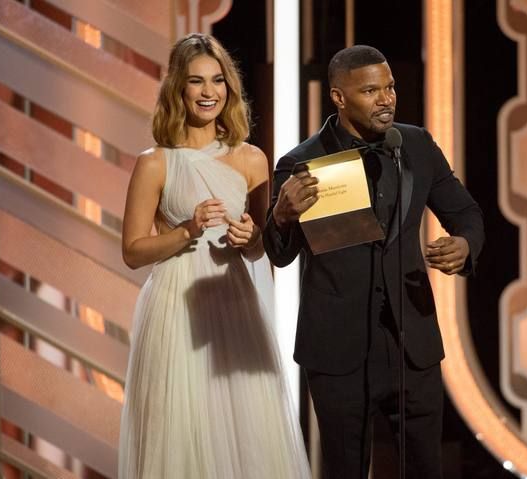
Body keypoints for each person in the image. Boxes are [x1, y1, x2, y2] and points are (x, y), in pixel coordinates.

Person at [263, 45, 484, 479]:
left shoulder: (416, 145)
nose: (387, 99)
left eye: (390, 87)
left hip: (411, 344)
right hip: (338, 350)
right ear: (339, 98)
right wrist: (282, 215)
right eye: (371, 91)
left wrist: (465, 246)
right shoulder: (302, 162)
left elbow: (467, 214)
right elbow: (279, 254)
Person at [118, 33, 311, 479]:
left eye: (217, 81)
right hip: (175, 311)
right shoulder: (155, 162)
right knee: (180, 435)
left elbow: (262, 244)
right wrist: (187, 229)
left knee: (246, 436)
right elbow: (132, 251)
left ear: (229, 88)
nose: (209, 92)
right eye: (196, 82)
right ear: (177, 90)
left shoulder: (252, 160)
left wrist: (250, 237)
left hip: (234, 304)